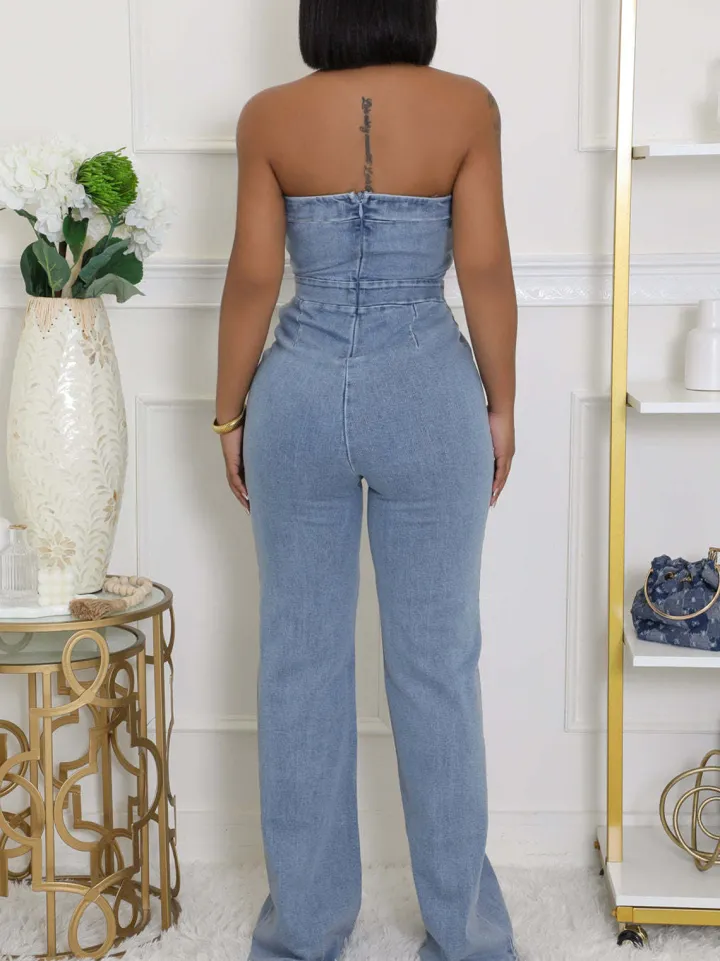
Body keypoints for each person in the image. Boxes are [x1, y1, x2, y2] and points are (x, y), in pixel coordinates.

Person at [214, 2, 518, 959]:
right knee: (438, 667)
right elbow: (485, 268)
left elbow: (253, 278)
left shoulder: (269, 116)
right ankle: (468, 939)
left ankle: (303, 936)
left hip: (299, 397)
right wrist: (502, 404)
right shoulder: (467, 107)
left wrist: (228, 413)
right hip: (428, 389)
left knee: (299, 666)